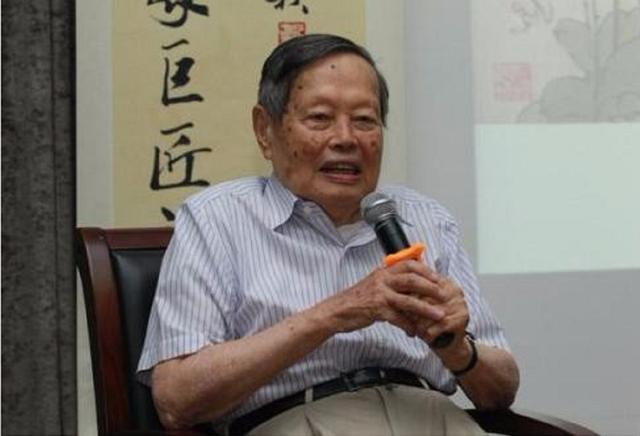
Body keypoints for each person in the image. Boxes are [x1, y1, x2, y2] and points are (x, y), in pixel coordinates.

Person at [137, 34, 519, 436]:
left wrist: (456, 348)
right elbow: (176, 399)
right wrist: (336, 314)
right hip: (300, 421)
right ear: (265, 130)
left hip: (433, 418)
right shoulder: (216, 218)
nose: (346, 139)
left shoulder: (427, 218)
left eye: (364, 120)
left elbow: (500, 390)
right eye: (320, 118)